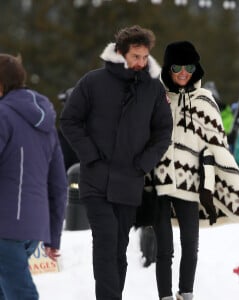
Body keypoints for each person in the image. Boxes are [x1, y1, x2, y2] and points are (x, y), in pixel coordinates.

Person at [60, 25, 173, 300]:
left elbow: (163, 132)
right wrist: (91, 156)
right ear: (121, 53)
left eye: (145, 57)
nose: (141, 63)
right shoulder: (93, 82)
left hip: (129, 183)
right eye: (136, 56)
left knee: (119, 248)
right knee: (106, 242)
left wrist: (143, 164)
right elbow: (69, 120)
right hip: (95, 181)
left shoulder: (153, 89)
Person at [151, 41, 239, 300]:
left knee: (190, 246)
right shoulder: (156, 98)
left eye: (189, 67)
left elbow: (217, 147)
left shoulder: (205, 101)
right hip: (159, 182)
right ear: (167, 68)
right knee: (163, 248)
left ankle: (186, 294)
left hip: (191, 185)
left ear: (197, 68)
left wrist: (210, 187)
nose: (183, 72)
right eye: (177, 67)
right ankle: (164, 296)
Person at [0, 54, 67, 299]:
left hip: (5, 227)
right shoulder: (46, 123)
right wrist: (53, 236)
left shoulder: (3, 115)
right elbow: (59, 185)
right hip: (32, 229)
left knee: (19, 292)